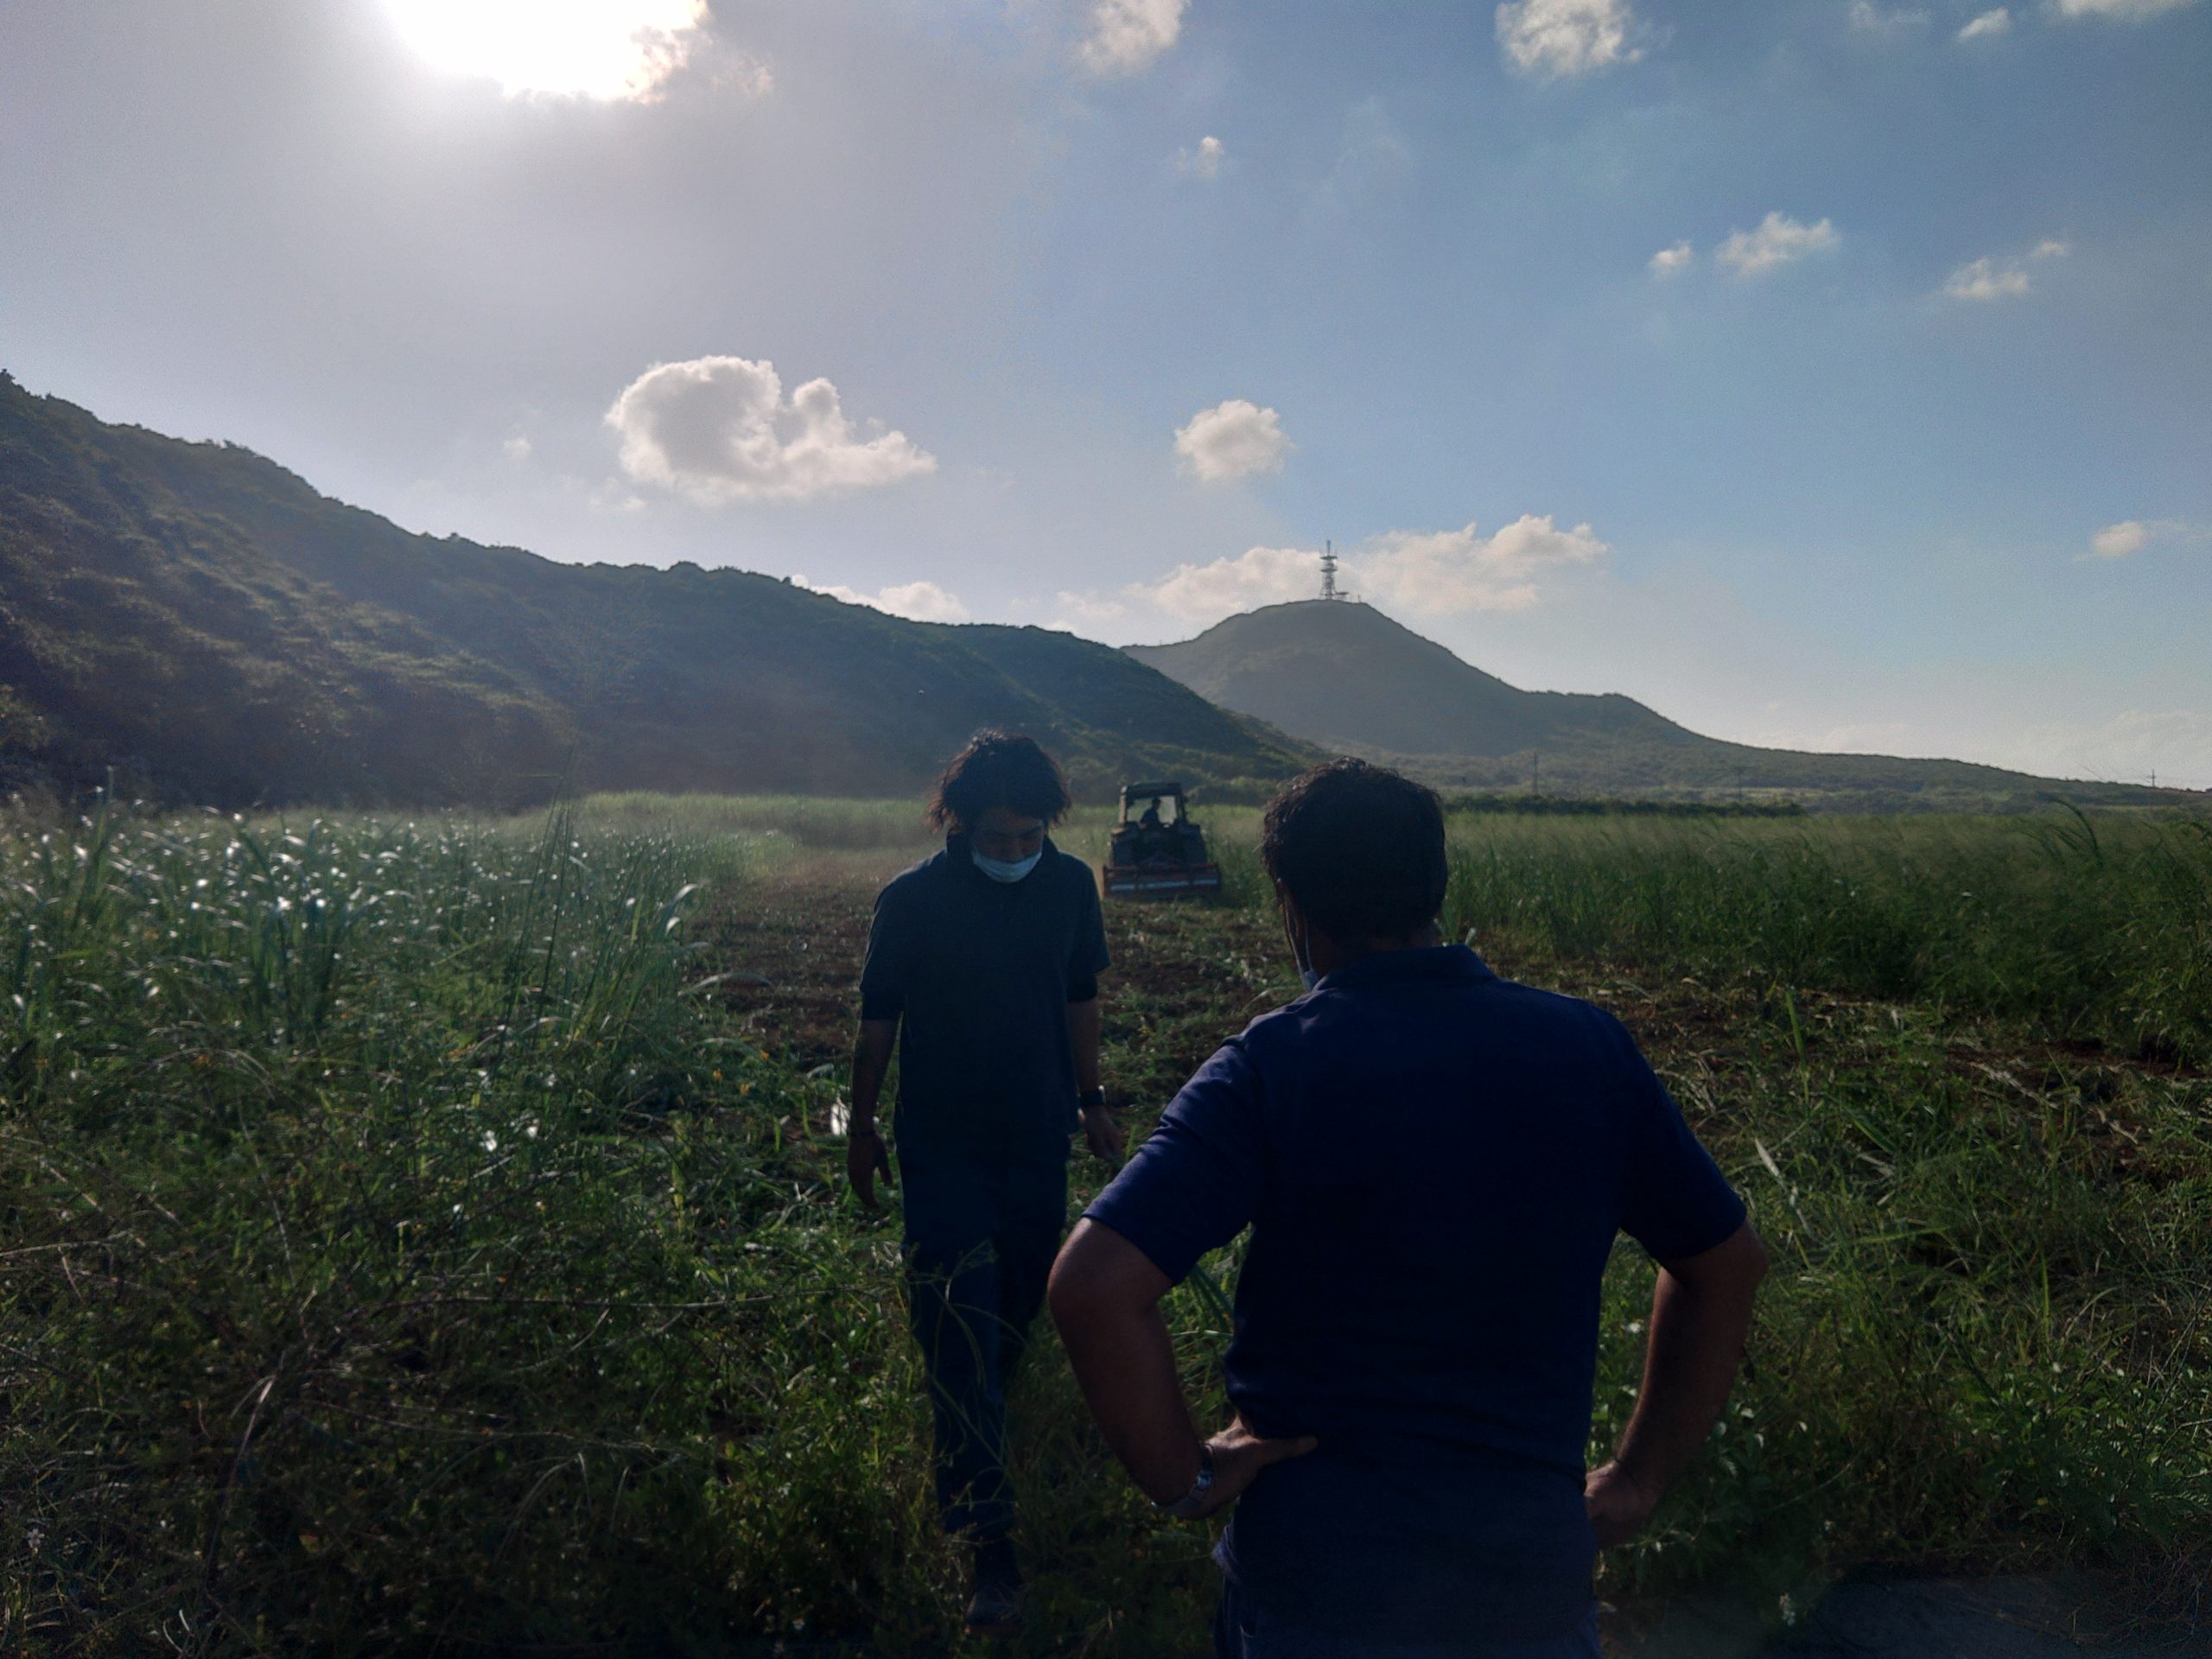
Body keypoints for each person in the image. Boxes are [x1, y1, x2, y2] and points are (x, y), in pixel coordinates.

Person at [1048, 759, 1767, 1656]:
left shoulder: (1271, 1067)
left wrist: (1184, 1478)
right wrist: (1635, 1478)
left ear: (1292, 909)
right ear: (1436, 886)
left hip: (1318, 1586)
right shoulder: (1586, 1049)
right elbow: (1725, 1263)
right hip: (1526, 1589)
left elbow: (1093, 1287)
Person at [848, 729, 1122, 1637]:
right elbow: (878, 1020)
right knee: (957, 1327)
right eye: (997, 837)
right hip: (941, 1144)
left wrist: (1091, 1100)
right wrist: (862, 1128)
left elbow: (1080, 996)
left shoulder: (1069, 886)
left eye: (1029, 836)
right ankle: (987, 1542)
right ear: (958, 824)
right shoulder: (912, 901)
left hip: (1036, 1138)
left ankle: (979, 1433)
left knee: (1008, 1319)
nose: (1014, 851)